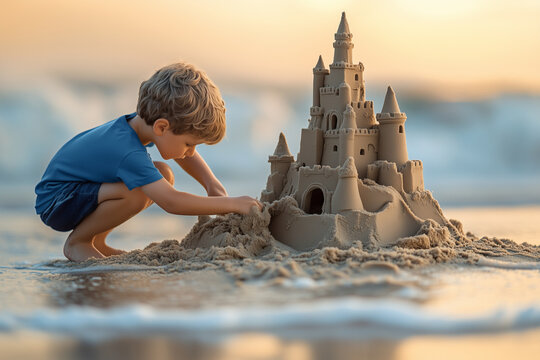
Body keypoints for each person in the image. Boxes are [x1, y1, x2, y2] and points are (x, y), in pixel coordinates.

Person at [35, 62, 262, 262]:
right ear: (161, 127)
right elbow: (171, 202)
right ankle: (79, 243)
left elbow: (182, 153)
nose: (191, 152)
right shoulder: (127, 151)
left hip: (77, 190)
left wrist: (211, 183)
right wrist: (233, 203)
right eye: (189, 144)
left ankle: (97, 241)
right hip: (58, 201)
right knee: (141, 191)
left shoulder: (140, 126)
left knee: (163, 173)